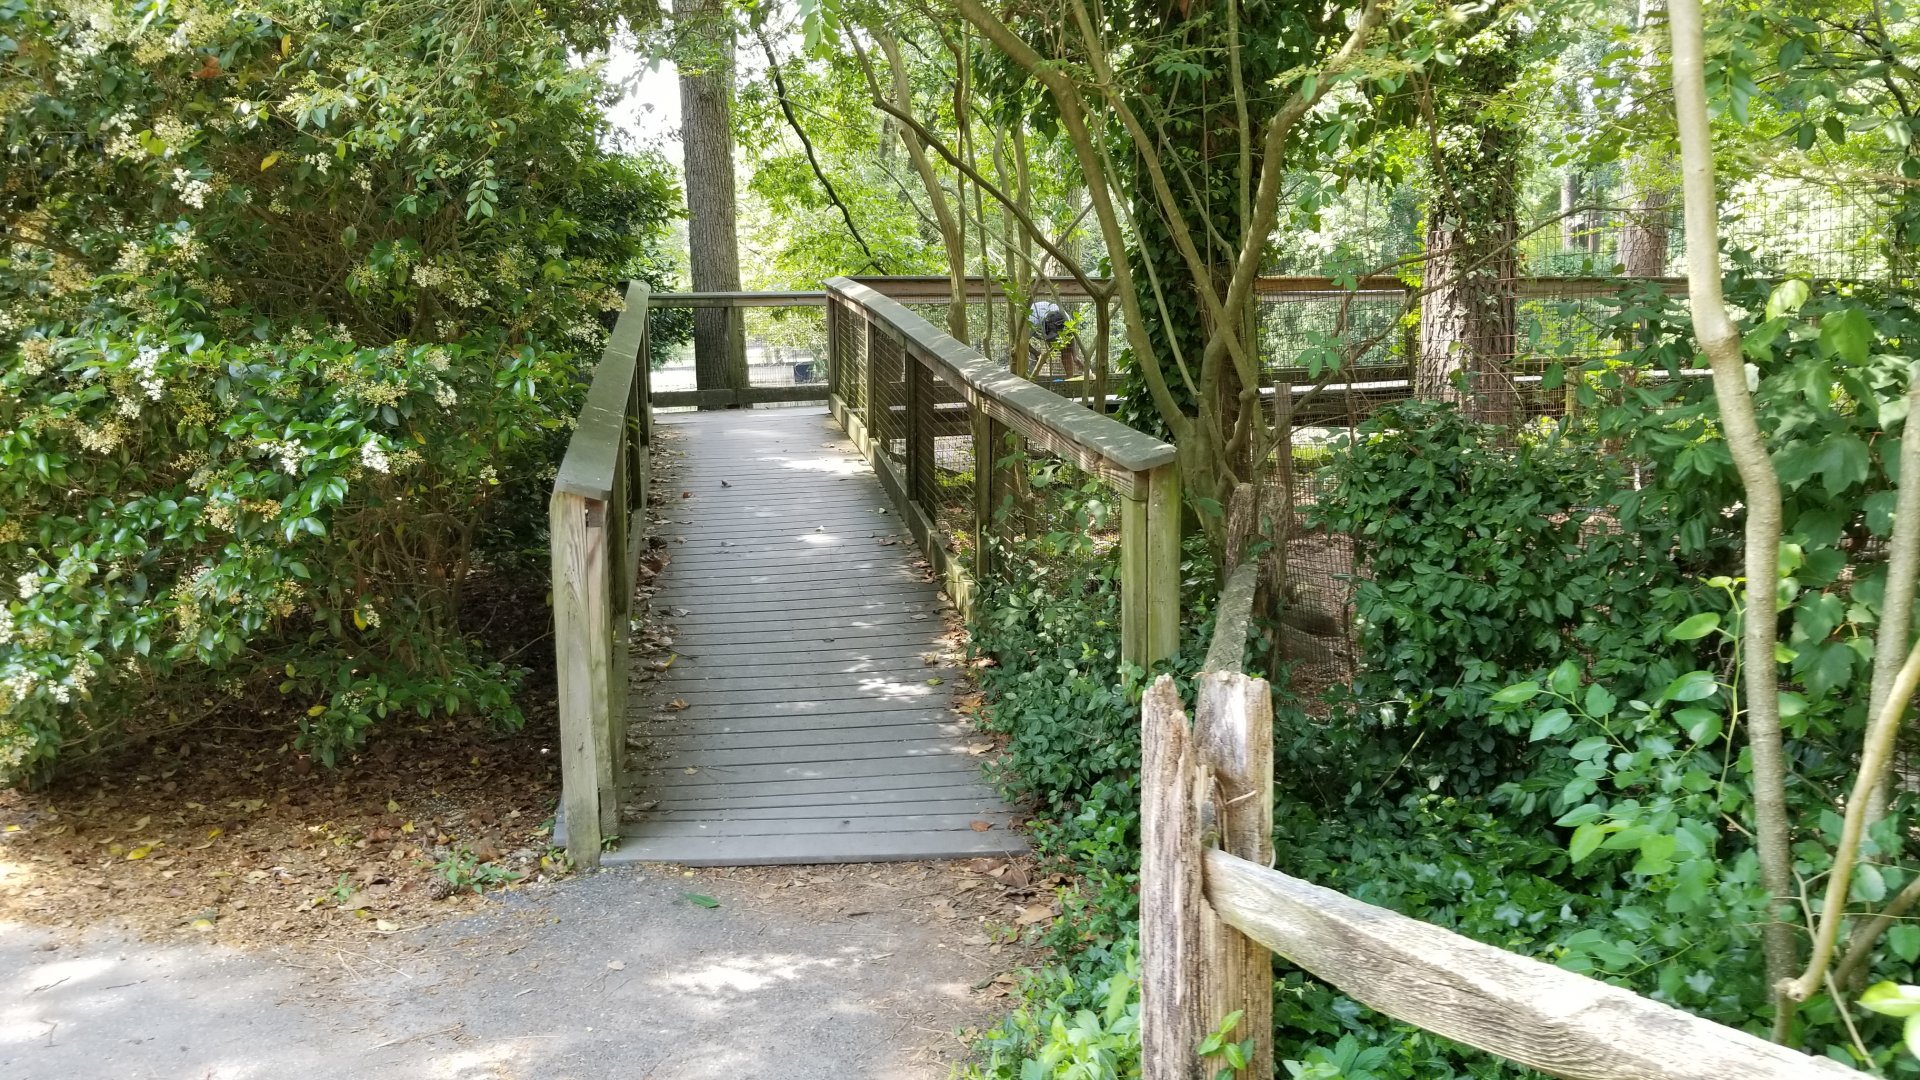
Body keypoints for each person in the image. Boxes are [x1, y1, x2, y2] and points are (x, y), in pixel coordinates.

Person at [1026, 300, 1078, 378]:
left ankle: (1070, 378)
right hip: (1036, 322)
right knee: (1022, 351)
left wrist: (1075, 356)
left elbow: (1071, 335)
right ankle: (1027, 377)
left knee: (1066, 349)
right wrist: (1036, 353)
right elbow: (1022, 343)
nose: (1055, 342)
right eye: (1053, 338)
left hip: (1045, 322)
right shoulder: (1031, 322)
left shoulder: (1067, 319)